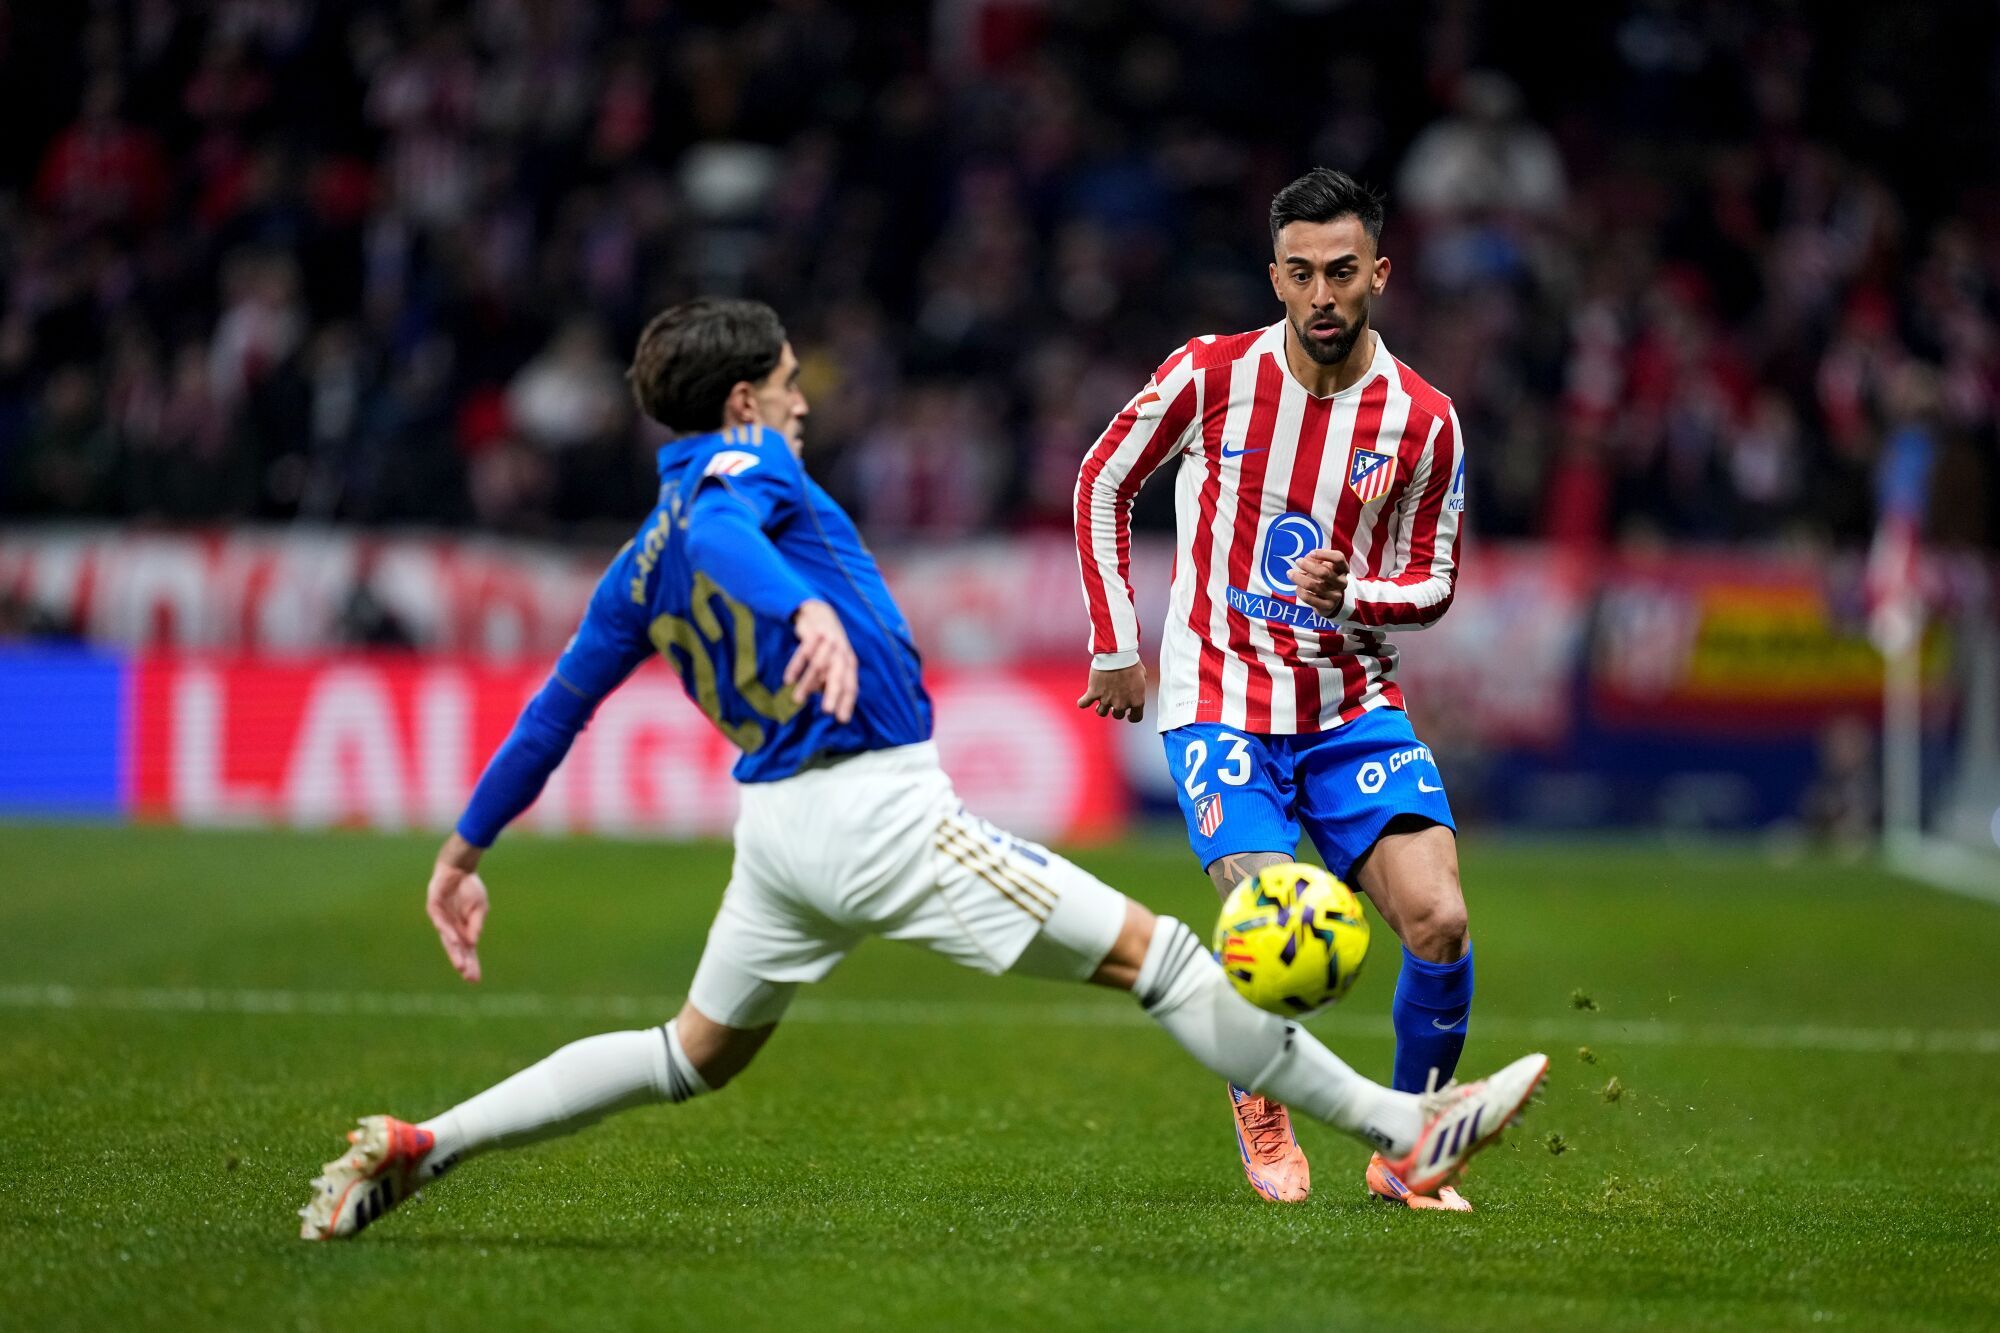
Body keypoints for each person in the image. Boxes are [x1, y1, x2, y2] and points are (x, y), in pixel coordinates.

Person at [300, 298, 1542, 1241]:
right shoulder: (739, 475)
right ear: (741, 400)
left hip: (776, 834)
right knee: (1165, 959)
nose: (802, 402)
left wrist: (464, 848)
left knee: (688, 1054)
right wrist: (800, 608)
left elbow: (555, 710)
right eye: (789, 383)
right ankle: (1405, 1125)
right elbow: (729, 526)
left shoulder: (637, 555)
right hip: (875, 812)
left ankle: (428, 1140)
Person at [1074, 170, 1479, 1210]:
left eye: (1341, 271)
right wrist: (1115, 641)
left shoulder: (1424, 420)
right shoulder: (1210, 375)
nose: (1321, 295)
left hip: (1349, 706)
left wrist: (1358, 595)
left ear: (1379, 274)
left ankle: (1411, 1153)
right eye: (1300, 273)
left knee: (1438, 919)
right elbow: (1103, 480)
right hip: (1220, 698)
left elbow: (1433, 580)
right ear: (1275, 277)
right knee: (1273, 914)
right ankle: (1258, 1096)